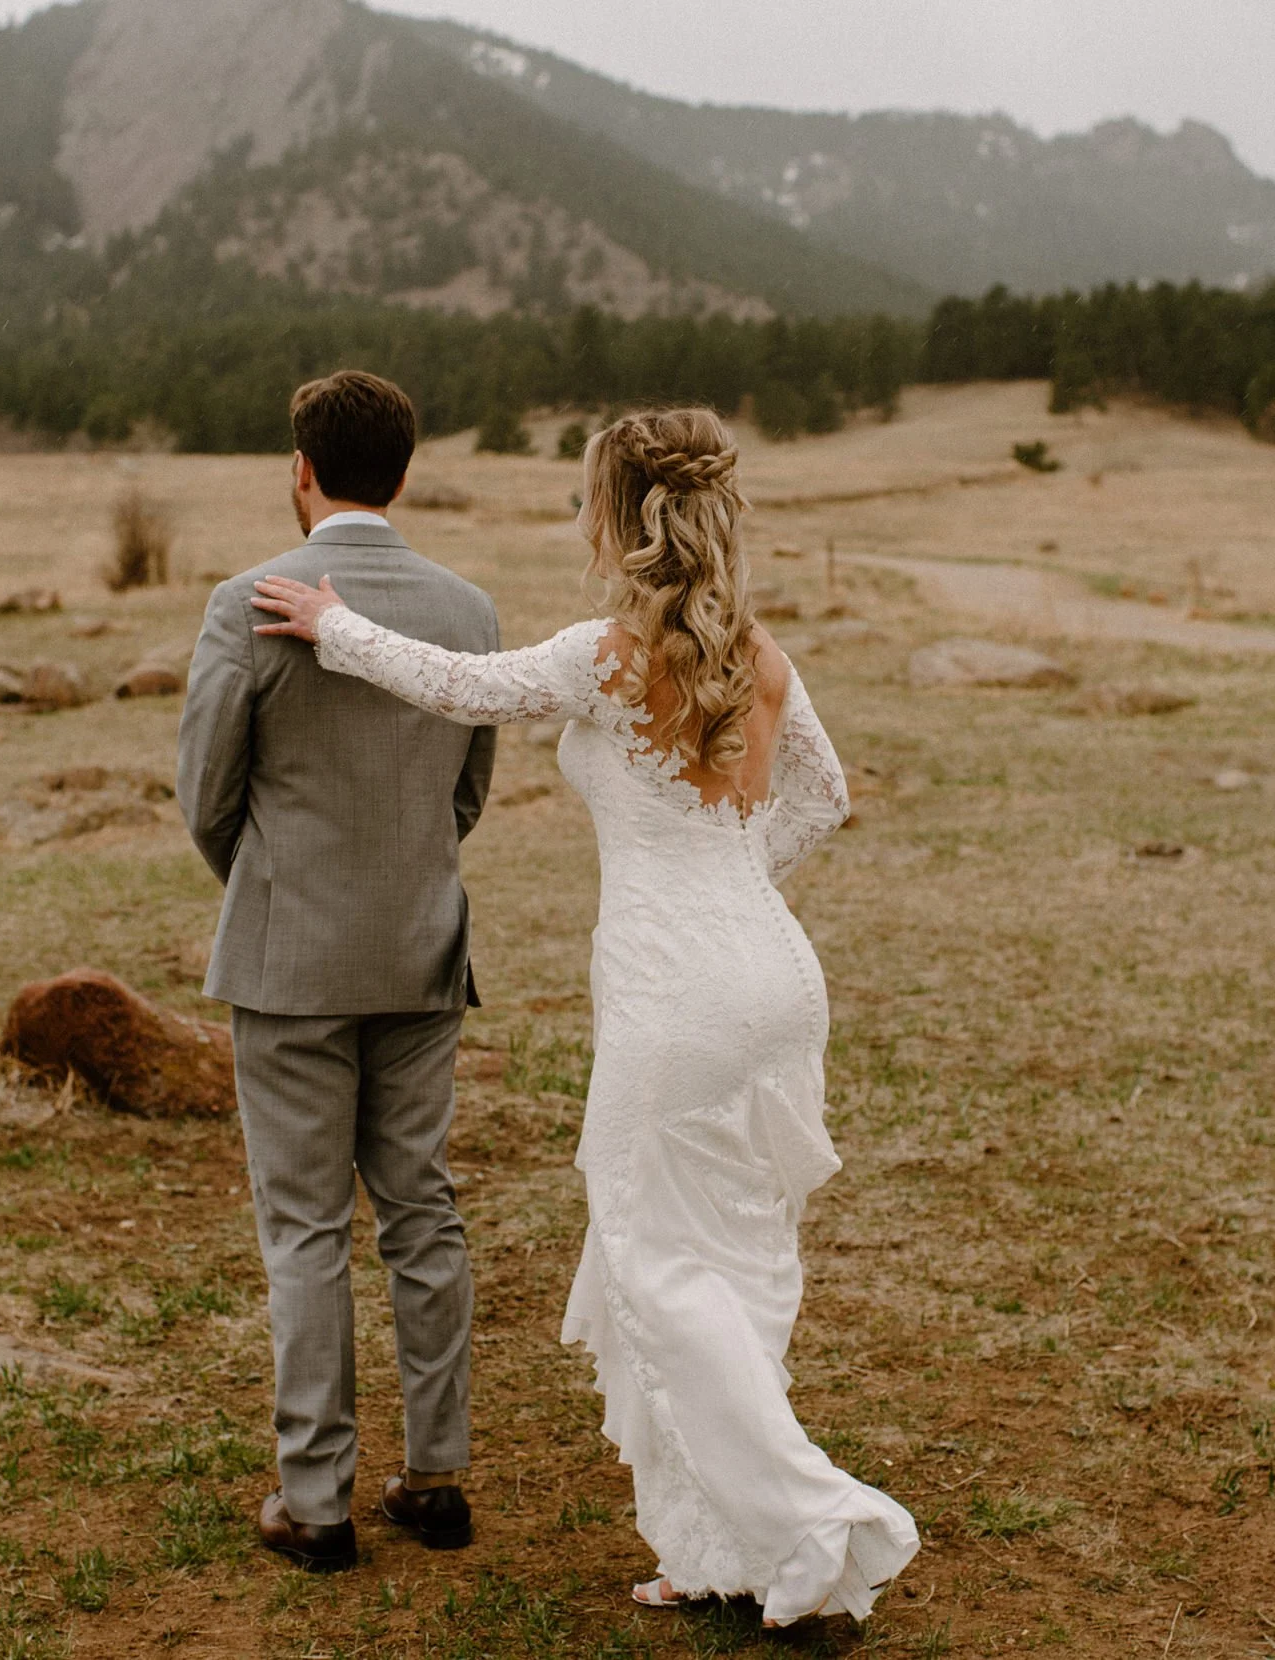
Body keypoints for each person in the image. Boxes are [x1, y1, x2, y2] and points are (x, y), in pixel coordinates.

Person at [249, 406, 919, 1624]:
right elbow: (823, 800)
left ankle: (813, 1521)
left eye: (584, 499)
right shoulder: (754, 655)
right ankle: (713, 1545)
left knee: (655, 1267)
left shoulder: (610, 656)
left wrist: (332, 624)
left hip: (679, 996)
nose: (577, 518)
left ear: (621, 518)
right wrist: (730, 889)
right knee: (735, 1253)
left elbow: (459, 686)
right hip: (773, 981)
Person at [177, 370, 498, 1573]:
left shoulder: (246, 601)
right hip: (422, 949)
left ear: (300, 471)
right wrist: (404, 871)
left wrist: (269, 890)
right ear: (403, 473)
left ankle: (316, 1501)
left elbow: (207, 792)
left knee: (304, 1227)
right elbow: (467, 794)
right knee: (423, 1208)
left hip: (287, 959)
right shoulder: (467, 607)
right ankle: (438, 1475)